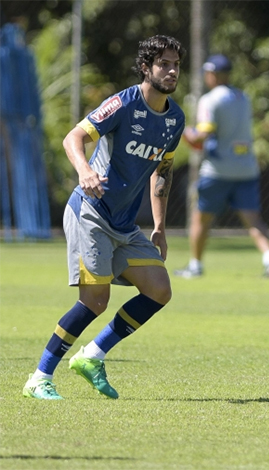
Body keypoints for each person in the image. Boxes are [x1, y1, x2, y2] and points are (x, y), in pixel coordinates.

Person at [22, 35, 186, 400]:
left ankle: (92, 356)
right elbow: (73, 137)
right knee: (95, 300)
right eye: (164, 64)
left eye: (176, 64)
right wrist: (84, 170)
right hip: (91, 213)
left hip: (126, 224)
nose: (172, 71)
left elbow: (163, 171)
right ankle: (39, 377)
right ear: (146, 67)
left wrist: (159, 226)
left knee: (159, 290)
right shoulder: (123, 103)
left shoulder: (175, 118)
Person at [175, 54, 269, 279]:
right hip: (246, 168)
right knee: (253, 220)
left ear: (212, 74)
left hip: (217, 169)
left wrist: (180, 130)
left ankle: (195, 265)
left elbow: (201, 137)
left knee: (201, 218)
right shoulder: (243, 97)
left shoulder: (210, 100)